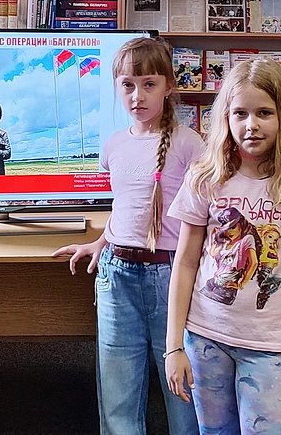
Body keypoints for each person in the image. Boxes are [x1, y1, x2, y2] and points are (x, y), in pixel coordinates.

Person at [164, 58, 281, 434]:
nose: (251, 125)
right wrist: (173, 345)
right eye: (240, 113)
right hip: (205, 336)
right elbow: (185, 263)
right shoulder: (205, 178)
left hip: (268, 344)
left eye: (264, 113)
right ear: (225, 116)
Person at [52, 37, 203, 435]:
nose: (138, 96)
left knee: (182, 388)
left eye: (149, 84)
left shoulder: (189, 144)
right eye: (128, 85)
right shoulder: (115, 145)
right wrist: (100, 242)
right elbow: (126, 207)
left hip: (170, 276)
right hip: (117, 274)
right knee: (117, 391)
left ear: (168, 86)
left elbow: (203, 216)